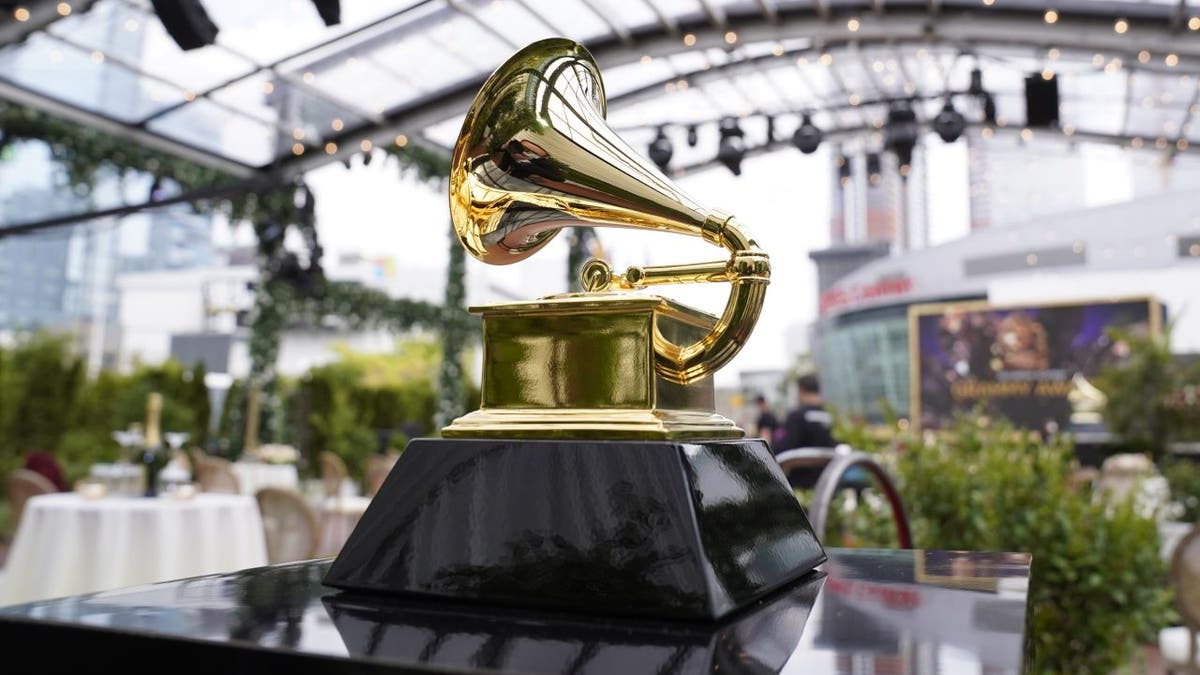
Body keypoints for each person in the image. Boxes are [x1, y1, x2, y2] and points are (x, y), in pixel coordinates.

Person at [778, 373, 836, 452]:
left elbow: (784, 448)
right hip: (829, 464)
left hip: (797, 463)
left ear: (801, 390)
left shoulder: (796, 416)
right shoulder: (827, 416)